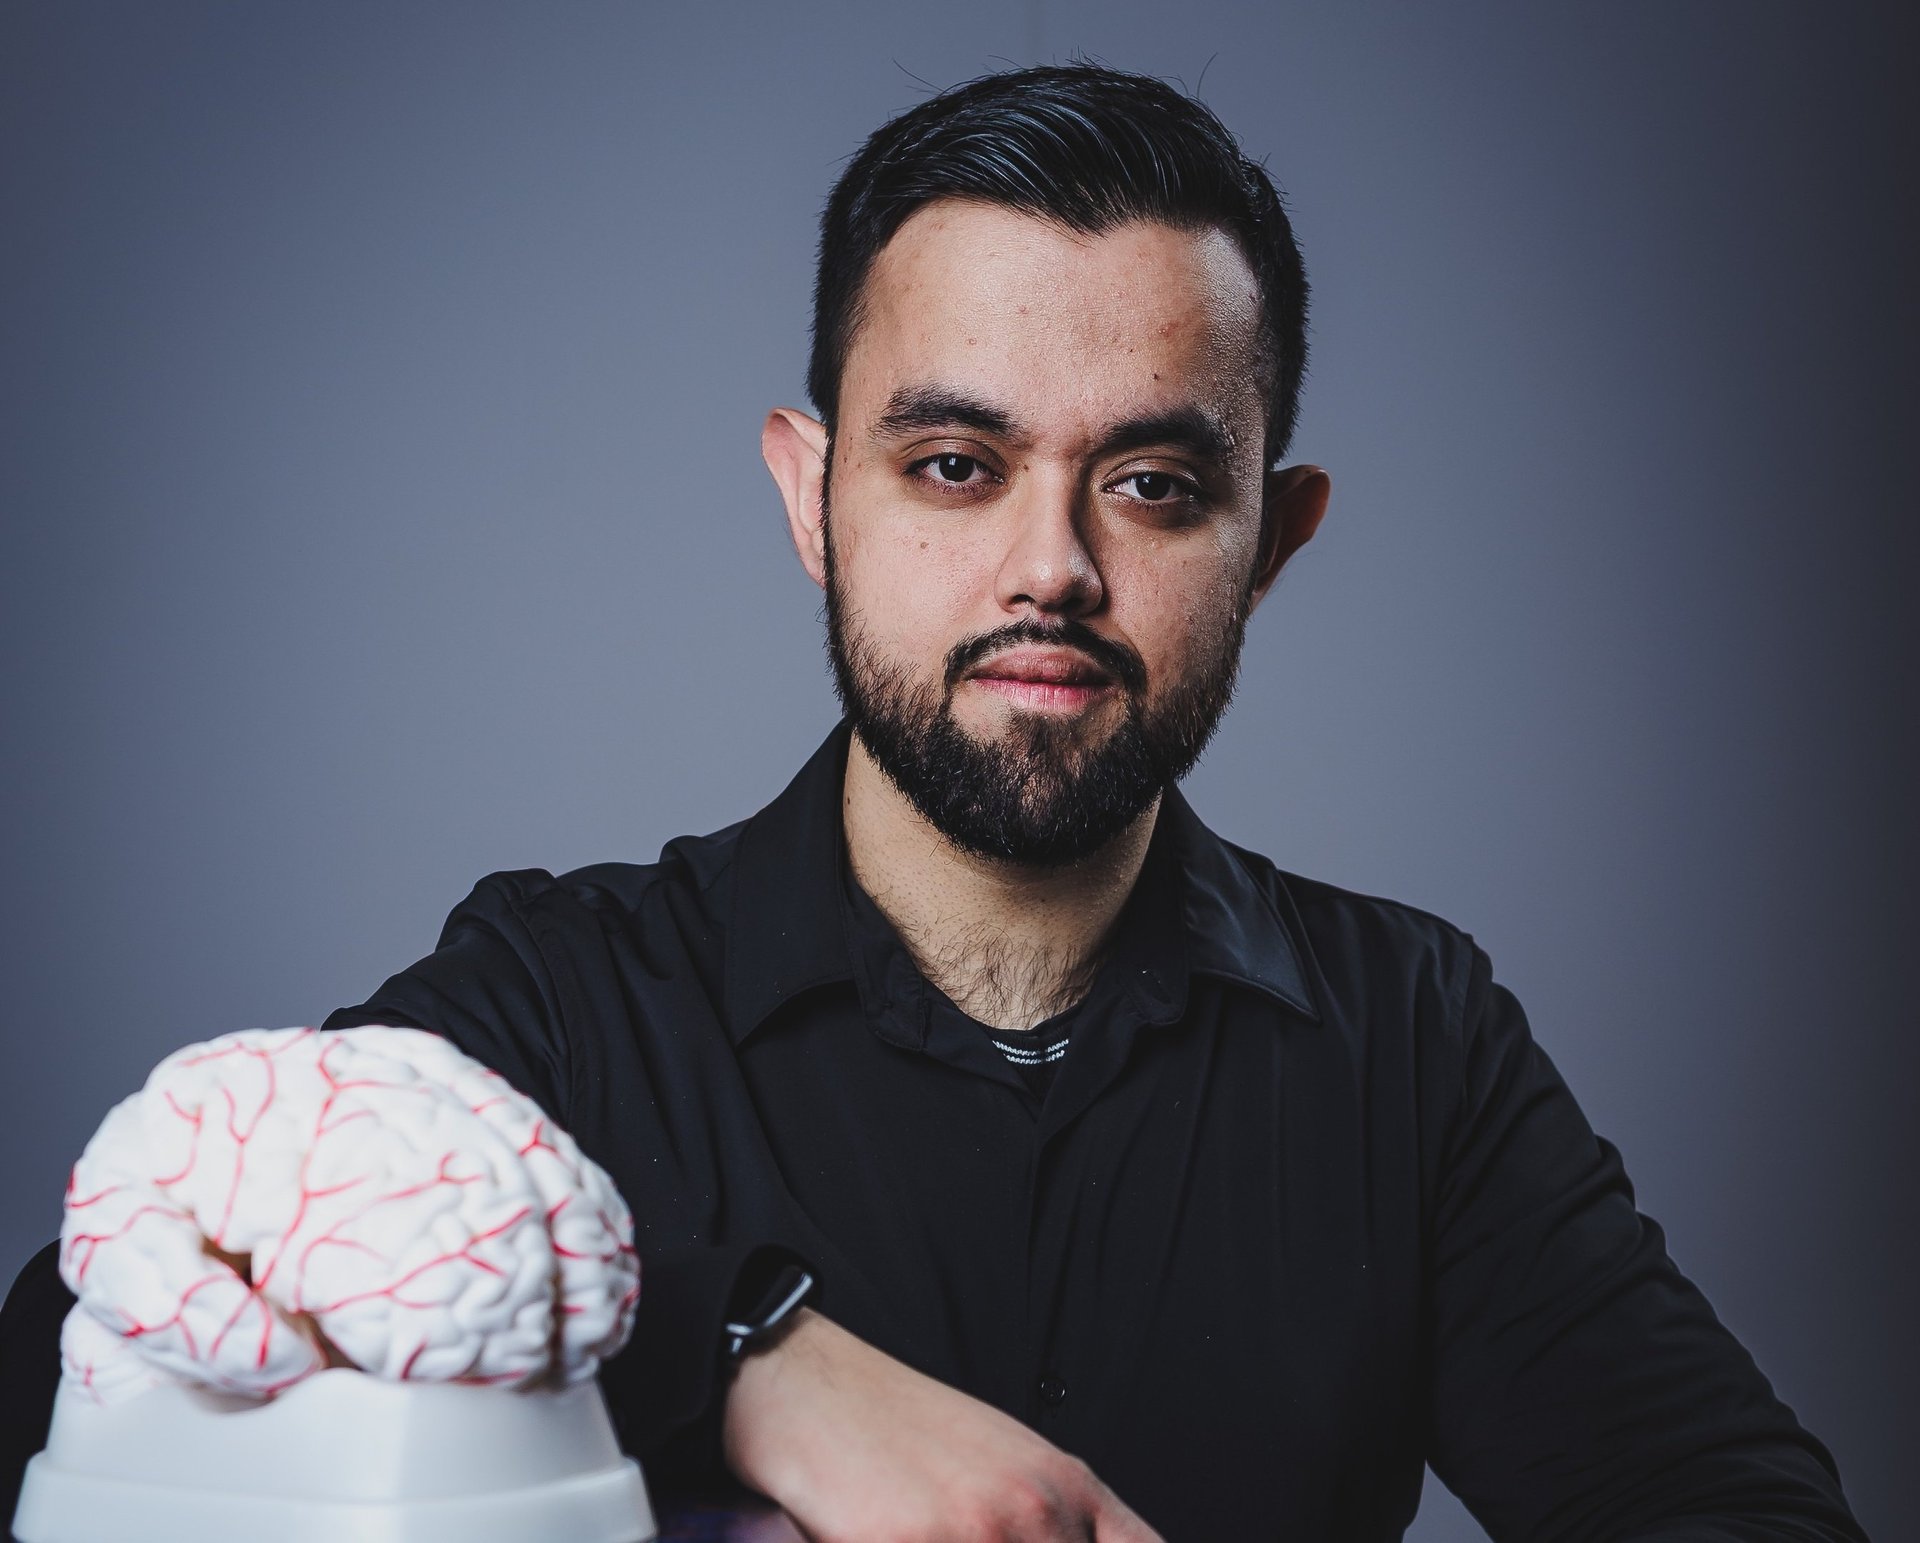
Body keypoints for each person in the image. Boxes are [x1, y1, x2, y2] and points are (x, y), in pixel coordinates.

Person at [0, 62, 1867, 1543]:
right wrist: (747, 1350)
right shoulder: (565, 1001)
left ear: (1272, 544)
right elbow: (79, 1337)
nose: (1047, 566)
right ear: (812, 500)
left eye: (1149, 483)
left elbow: (1735, 1513)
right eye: (956, 463)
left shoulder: (1412, 1040)